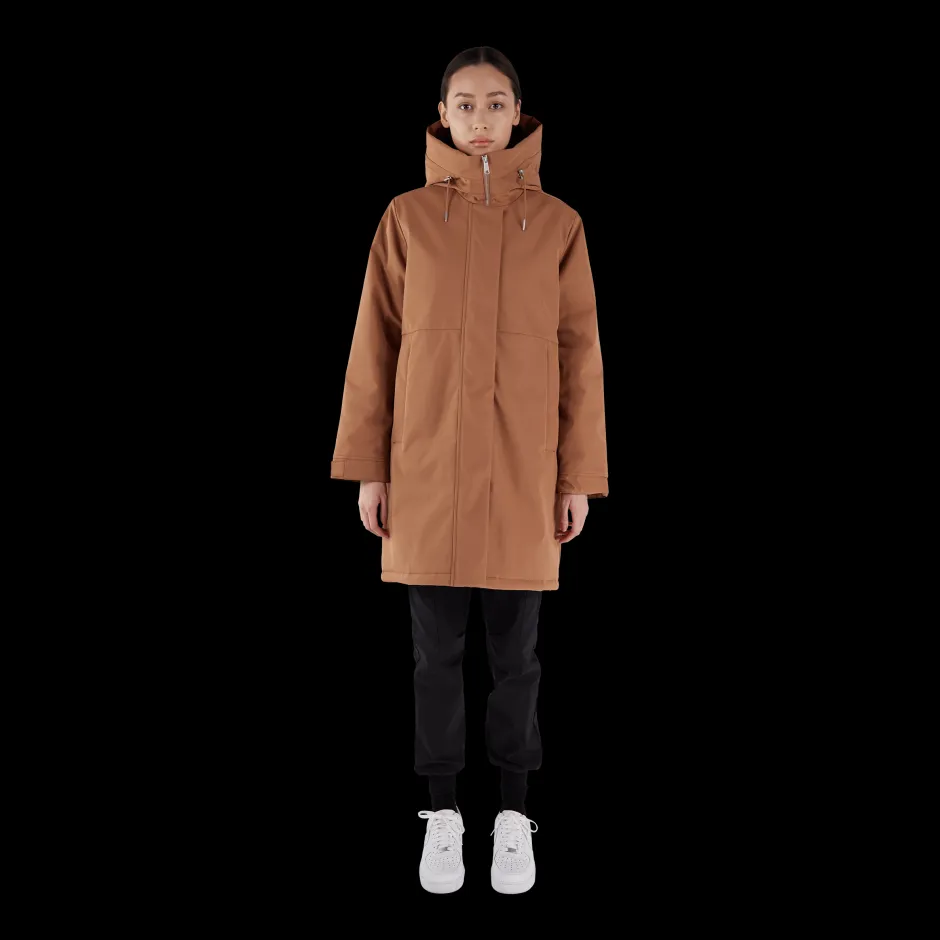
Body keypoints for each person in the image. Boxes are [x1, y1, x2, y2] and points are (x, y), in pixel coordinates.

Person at [330, 46, 608, 895]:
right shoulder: (406, 218)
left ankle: (514, 816)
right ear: (442, 115)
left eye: (494, 104)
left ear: (518, 113)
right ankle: (444, 814)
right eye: (463, 104)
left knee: (518, 656)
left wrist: (576, 476)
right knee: (434, 655)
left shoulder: (558, 225)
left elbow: (580, 357)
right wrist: (370, 468)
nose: (479, 120)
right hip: (426, 470)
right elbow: (373, 349)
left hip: (523, 470)